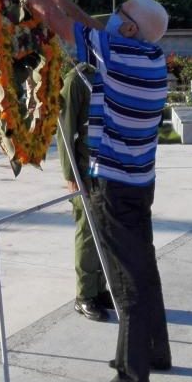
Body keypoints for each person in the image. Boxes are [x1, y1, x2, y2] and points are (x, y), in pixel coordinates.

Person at [1, 0, 171, 382]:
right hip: (139, 182)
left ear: (130, 29)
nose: (114, 17)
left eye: (123, 13)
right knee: (144, 268)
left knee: (126, 280)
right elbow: (87, 26)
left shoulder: (119, 55)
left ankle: (132, 376)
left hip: (114, 186)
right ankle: (157, 351)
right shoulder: (148, 56)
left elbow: (58, 24)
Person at [58, 60, 113, 322]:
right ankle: (84, 296)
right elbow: (65, 130)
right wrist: (70, 174)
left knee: (105, 233)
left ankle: (100, 288)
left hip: (111, 169)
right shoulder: (76, 79)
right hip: (86, 171)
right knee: (88, 233)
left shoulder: (113, 71)